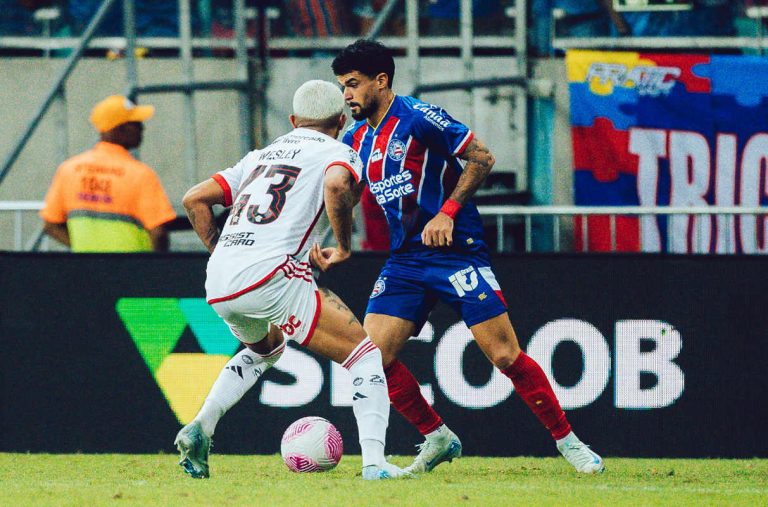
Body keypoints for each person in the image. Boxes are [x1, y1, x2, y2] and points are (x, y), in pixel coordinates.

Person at [328, 39, 604, 474]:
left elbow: (481, 156)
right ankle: (437, 437)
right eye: (342, 85)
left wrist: (448, 212)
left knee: (505, 356)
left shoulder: (419, 118)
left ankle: (569, 443)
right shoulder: (356, 138)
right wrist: (335, 242)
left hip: (455, 254)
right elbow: (344, 192)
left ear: (381, 81)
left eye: (353, 84)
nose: (346, 94)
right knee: (371, 360)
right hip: (404, 260)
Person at [175, 79, 408, 481]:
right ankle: (374, 464)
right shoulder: (340, 151)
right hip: (272, 275)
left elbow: (194, 198)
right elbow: (336, 185)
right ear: (340, 119)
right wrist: (344, 244)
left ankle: (202, 426)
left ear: (293, 120)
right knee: (364, 355)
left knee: (267, 350)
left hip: (221, 279)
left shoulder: (260, 156)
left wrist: (223, 251)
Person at [40, 95, 176, 252]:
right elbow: (158, 234)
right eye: (136, 123)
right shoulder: (140, 174)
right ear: (118, 128)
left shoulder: (69, 169)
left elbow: (50, 225)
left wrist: (85, 249)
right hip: (133, 271)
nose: (142, 128)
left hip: (86, 269)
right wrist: (155, 269)